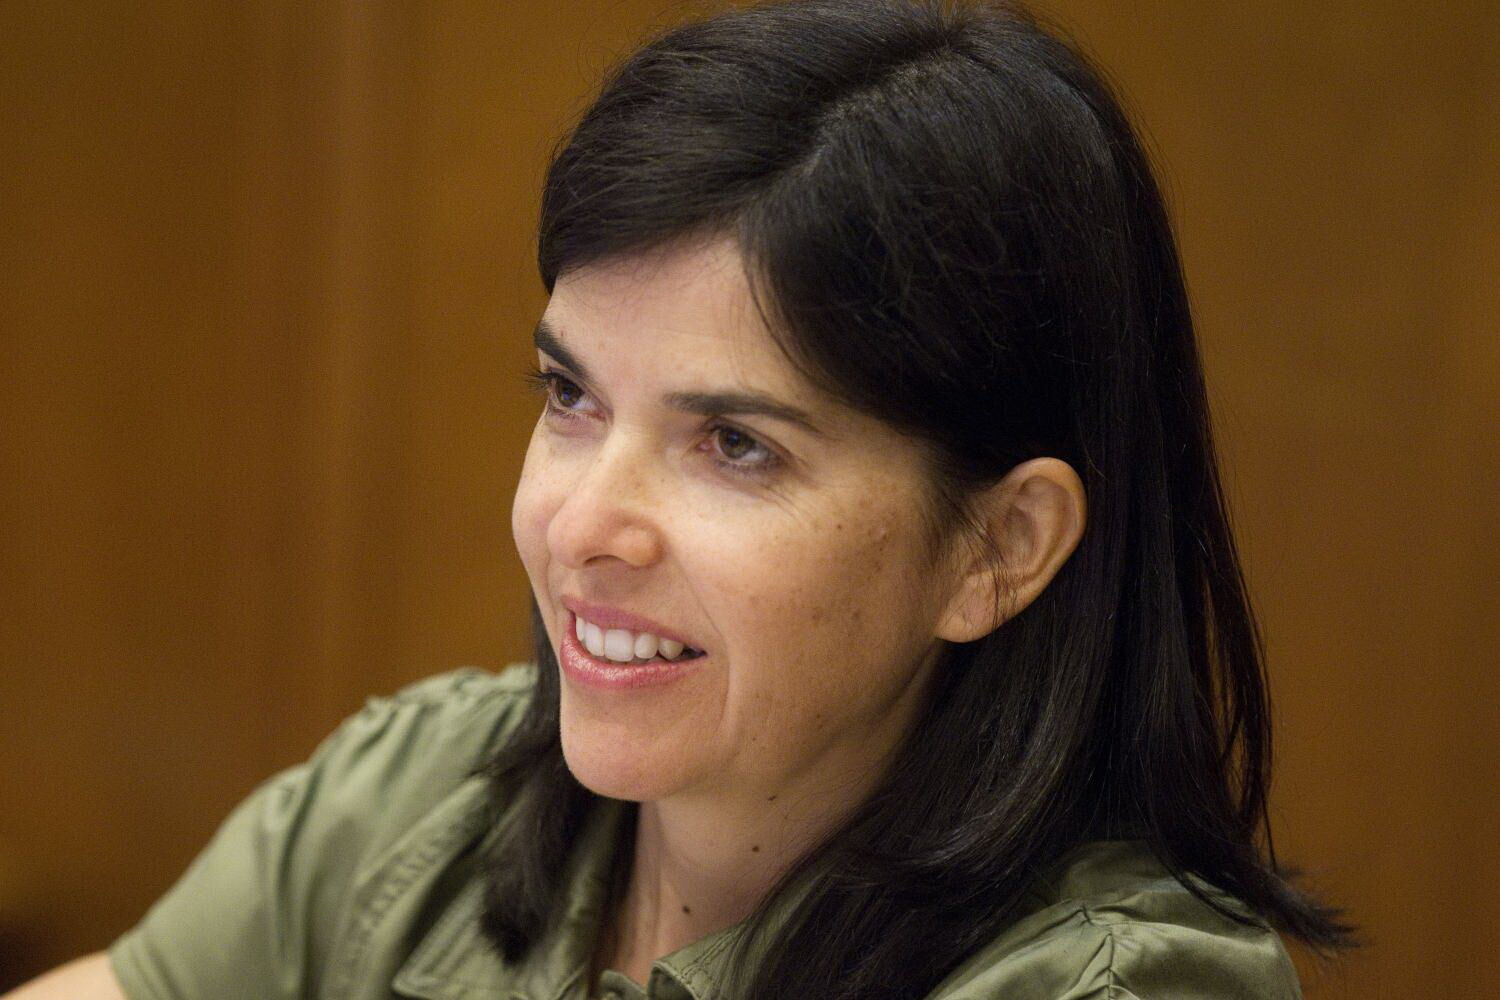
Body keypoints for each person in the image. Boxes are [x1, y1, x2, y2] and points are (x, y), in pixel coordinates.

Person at [8, 1, 1352, 997]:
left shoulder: (1110, 988)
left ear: (997, 548)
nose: (583, 525)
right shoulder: (418, 793)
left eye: (736, 446)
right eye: (570, 396)